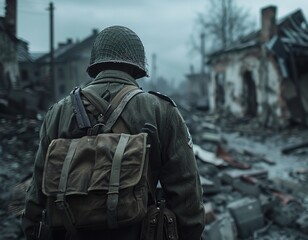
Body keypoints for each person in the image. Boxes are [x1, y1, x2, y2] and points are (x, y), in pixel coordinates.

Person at [21, 25, 205, 239]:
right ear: (138, 68)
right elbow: (186, 193)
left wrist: (32, 230)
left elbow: (37, 194)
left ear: (95, 65)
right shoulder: (160, 110)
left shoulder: (58, 112)